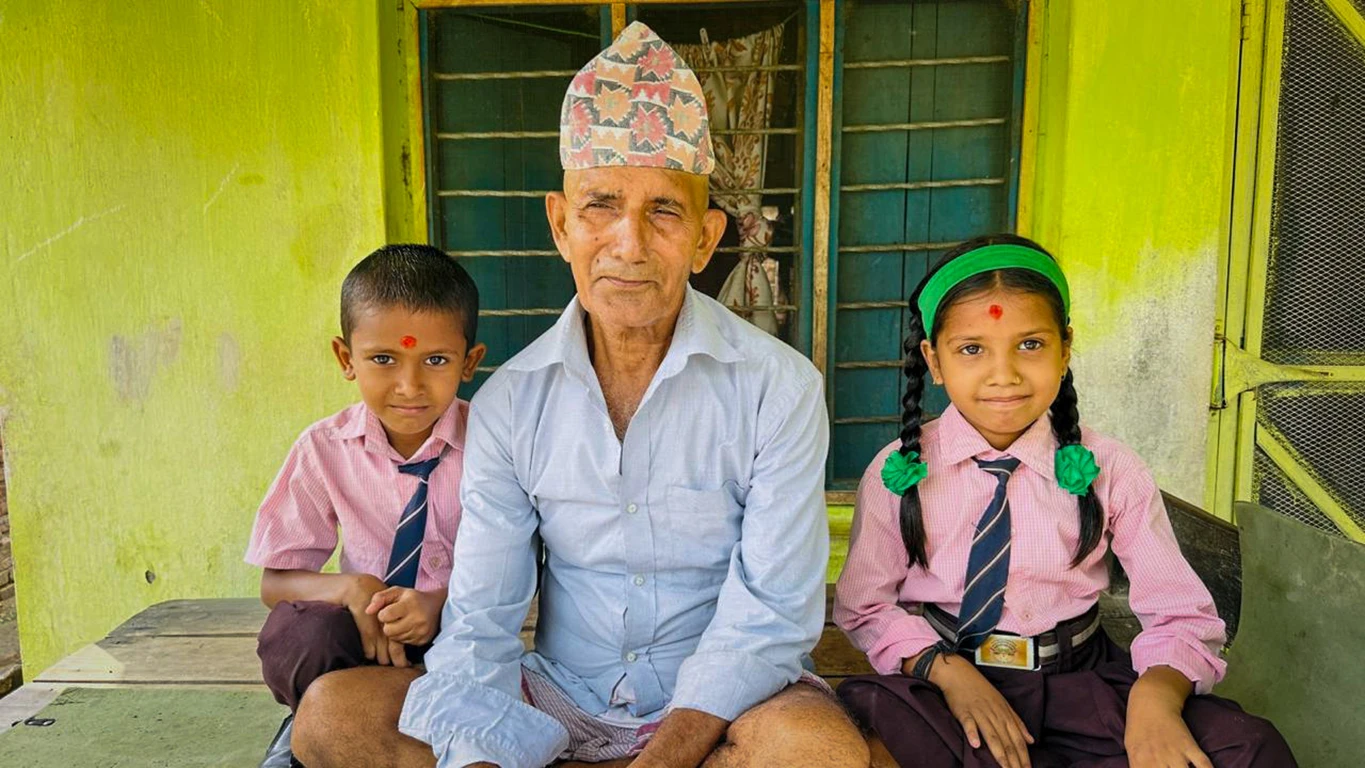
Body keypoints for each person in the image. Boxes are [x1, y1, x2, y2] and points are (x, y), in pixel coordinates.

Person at [290, 22, 869, 768]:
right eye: (599, 204)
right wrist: (478, 756)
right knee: (332, 718)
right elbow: (482, 619)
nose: (628, 243)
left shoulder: (778, 388)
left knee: (814, 752)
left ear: (704, 237)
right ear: (560, 225)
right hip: (556, 696)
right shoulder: (510, 403)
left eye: (664, 210)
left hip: (724, 706)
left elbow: (770, 616)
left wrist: (662, 758)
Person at [834, 234, 1296, 768]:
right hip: (950, 684)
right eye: (971, 349)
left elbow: (1181, 614)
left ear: (1065, 348)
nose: (1003, 374)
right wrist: (946, 671)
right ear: (933, 361)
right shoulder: (900, 471)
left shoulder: (1110, 467)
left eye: (1030, 344)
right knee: (874, 719)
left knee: (1248, 747)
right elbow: (865, 605)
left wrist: (1154, 702)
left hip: (1084, 686)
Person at [245, 244, 485, 767]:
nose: (409, 386)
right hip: (365, 638)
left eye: (436, 360)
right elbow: (275, 582)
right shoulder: (323, 449)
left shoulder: (492, 444)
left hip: (464, 628)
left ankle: (417, 718)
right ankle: (309, 724)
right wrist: (352, 588)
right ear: (344, 358)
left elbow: (524, 567)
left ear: (470, 362)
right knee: (301, 632)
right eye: (383, 359)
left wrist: (439, 604)